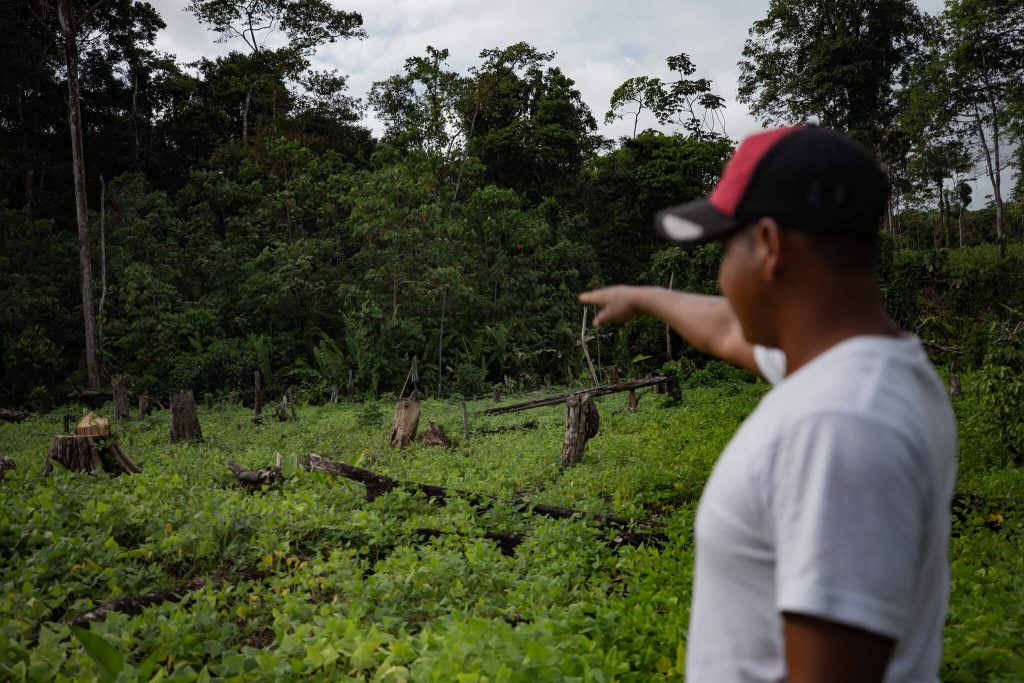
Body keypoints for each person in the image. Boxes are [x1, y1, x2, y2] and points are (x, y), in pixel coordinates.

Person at [580, 125, 957, 683]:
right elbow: (728, 328)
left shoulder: (838, 424)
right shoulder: (861, 371)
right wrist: (645, 297)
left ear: (772, 245)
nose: (722, 274)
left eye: (726, 249)